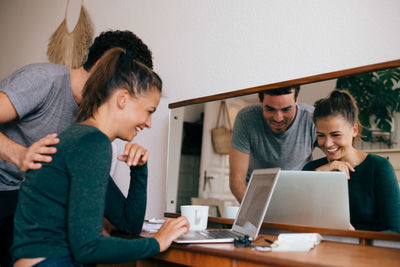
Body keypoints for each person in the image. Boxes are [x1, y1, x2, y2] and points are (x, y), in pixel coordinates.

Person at [11, 47, 190, 266]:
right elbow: (88, 247)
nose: (149, 123)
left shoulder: (81, 138)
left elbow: (128, 225)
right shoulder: (92, 143)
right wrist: (157, 243)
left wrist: (139, 170)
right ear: (123, 99)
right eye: (149, 111)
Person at [303, 90, 400, 232]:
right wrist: (317, 176)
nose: (328, 143)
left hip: (366, 251)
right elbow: (297, 223)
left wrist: (354, 236)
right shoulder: (311, 169)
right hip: (322, 249)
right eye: (321, 135)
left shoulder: (378, 168)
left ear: (354, 130)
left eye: (336, 135)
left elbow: (396, 231)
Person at [229, 86, 316, 202]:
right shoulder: (246, 119)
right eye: (270, 109)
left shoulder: (311, 118)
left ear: (296, 99)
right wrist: (253, 211)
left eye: (286, 110)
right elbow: (237, 180)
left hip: (299, 198)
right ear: (260, 100)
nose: (278, 118)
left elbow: (339, 149)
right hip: (255, 198)